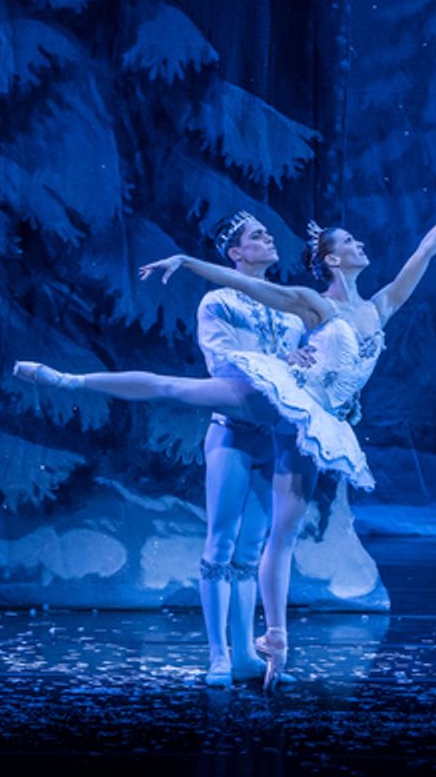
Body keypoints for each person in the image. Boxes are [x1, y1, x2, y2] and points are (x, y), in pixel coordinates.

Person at [14, 181, 436, 688]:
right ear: (334, 261)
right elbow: (251, 289)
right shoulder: (312, 304)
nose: (362, 245)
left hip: (309, 421)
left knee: (280, 536)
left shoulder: (376, 308)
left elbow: (423, 255)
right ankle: (68, 379)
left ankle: (272, 643)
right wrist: (186, 260)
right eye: (351, 242)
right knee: (177, 390)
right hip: (274, 396)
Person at [192, 211, 308, 688]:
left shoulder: (289, 310)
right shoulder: (218, 301)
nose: (268, 239)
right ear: (236, 253)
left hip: (274, 437)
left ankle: (244, 654)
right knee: (220, 542)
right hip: (232, 433)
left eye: (267, 233)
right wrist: (283, 361)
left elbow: (302, 371)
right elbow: (225, 362)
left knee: (251, 550)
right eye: (256, 236)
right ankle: (218, 655)